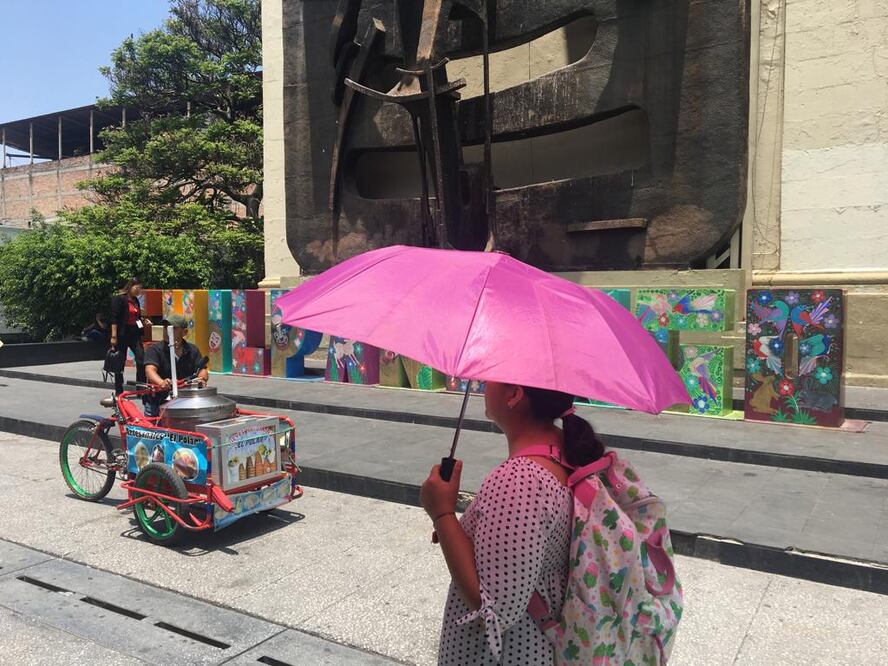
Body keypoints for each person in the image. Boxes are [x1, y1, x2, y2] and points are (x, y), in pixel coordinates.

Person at [421, 382, 605, 665]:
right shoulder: (561, 449)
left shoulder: (521, 480)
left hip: (508, 653)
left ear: (514, 394)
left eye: (492, 377)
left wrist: (442, 512)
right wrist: (455, 533)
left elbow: (494, 607)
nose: (483, 383)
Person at [143, 314, 209, 417]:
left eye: (173, 328)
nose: (167, 331)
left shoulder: (192, 350)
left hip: (185, 402)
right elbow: (150, 370)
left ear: (185, 332)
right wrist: (161, 382)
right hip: (157, 402)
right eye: (165, 327)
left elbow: (202, 369)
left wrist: (202, 379)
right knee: (155, 430)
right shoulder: (154, 349)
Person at [110, 277, 149, 394]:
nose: (138, 290)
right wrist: (114, 336)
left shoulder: (136, 300)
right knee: (119, 362)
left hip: (134, 333)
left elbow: (137, 317)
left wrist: (143, 322)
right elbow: (114, 318)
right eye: (137, 287)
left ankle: (140, 388)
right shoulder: (119, 299)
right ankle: (119, 391)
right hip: (122, 334)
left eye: (140, 288)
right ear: (130, 286)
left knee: (141, 359)